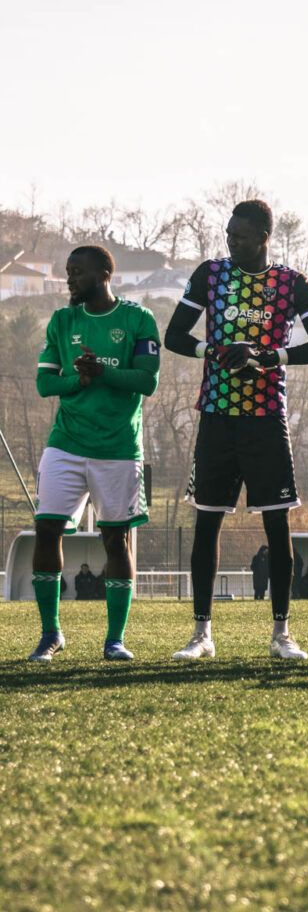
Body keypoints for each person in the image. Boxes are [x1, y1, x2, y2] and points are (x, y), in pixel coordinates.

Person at [163, 199, 308, 661]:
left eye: (240, 235)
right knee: (206, 522)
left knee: (277, 525)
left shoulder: (292, 283)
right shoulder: (210, 275)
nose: (230, 241)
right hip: (217, 416)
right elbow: (174, 335)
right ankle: (201, 633)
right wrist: (214, 350)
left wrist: (269, 357)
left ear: (264, 237)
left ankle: (282, 632)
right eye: (228, 234)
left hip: (266, 419)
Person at [27, 244, 159, 662]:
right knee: (47, 530)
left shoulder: (137, 319)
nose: (70, 278)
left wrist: (102, 372)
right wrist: (78, 383)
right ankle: (51, 634)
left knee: (115, 540)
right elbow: (46, 384)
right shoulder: (63, 321)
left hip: (118, 448)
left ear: (105, 272)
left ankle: (114, 639)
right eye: (68, 271)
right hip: (65, 444)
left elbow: (146, 381)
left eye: (77, 271)